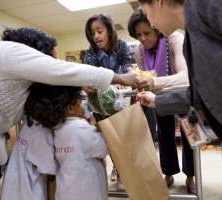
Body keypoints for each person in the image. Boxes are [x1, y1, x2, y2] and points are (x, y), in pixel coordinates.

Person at [0, 27, 138, 200]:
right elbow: (62, 70)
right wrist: (120, 78)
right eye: (80, 101)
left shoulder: (6, 69)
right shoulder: (13, 52)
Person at [128, 7, 196, 194]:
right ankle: (169, 173)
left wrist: (153, 82)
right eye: (138, 35)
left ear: (156, 28)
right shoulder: (140, 52)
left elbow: (185, 77)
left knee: (188, 135)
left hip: (183, 94)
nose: (143, 39)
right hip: (160, 97)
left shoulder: (175, 39)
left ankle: (191, 176)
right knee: (164, 136)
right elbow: (144, 76)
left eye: (147, 33)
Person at [135, 0, 222, 142]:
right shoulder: (189, 42)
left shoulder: (206, 5)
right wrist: (158, 100)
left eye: (146, 13)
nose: (151, 24)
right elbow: (199, 96)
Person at [25, 83, 109, 200]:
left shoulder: (57, 129)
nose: (83, 105)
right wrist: (95, 128)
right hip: (87, 190)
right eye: (80, 103)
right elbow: (102, 148)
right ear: (70, 108)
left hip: (65, 190)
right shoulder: (81, 127)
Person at [83, 13, 132, 191]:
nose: (96, 36)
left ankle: (120, 171)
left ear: (109, 31)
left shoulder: (122, 46)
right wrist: (88, 85)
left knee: (120, 138)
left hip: (117, 101)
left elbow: (128, 72)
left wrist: (120, 80)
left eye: (99, 31)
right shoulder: (91, 52)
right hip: (98, 104)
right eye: (92, 32)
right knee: (107, 139)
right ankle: (115, 166)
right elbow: (90, 77)